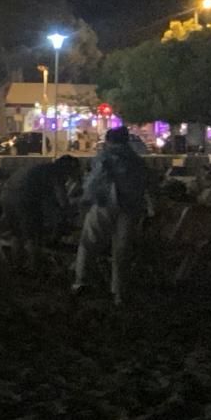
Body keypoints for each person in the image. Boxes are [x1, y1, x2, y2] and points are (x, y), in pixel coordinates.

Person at [74, 127, 150, 305]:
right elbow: (148, 184)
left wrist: (85, 199)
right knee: (121, 251)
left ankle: (81, 282)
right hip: (130, 207)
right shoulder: (136, 160)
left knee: (88, 243)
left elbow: (95, 181)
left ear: (108, 140)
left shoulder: (104, 157)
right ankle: (118, 292)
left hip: (105, 204)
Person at [1, 155, 80, 271]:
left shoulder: (42, 167)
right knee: (33, 236)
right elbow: (61, 198)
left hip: (7, 194)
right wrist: (67, 213)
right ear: (68, 167)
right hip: (25, 197)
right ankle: (35, 268)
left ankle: (16, 266)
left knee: (17, 234)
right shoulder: (55, 172)